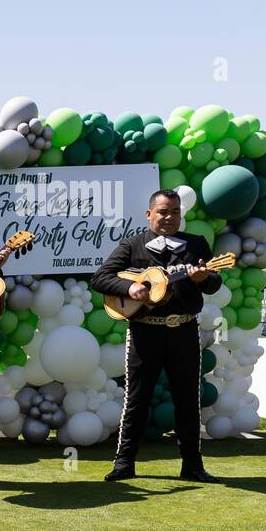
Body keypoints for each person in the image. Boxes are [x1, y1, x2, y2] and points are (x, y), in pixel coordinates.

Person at [91, 189, 221, 483]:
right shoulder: (133, 244)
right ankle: (124, 464)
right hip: (144, 332)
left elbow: (213, 283)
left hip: (184, 331)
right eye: (163, 212)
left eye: (174, 212)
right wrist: (129, 289)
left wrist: (205, 277)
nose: (169, 217)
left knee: (187, 400)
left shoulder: (196, 244)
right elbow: (100, 278)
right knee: (136, 399)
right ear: (149, 214)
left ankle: (192, 466)